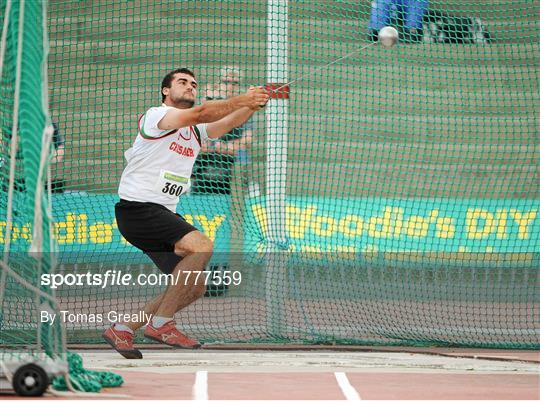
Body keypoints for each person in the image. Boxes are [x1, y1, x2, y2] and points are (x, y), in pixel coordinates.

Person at [103, 68, 269, 359]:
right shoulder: (156, 116)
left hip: (162, 211)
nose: (190, 86)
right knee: (202, 245)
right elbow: (202, 113)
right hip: (138, 208)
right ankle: (162, 323)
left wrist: (250, 106)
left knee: (194, 287)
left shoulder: (194, 130)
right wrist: (242, 97)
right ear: (166, 90)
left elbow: (223, 125)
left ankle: (125, 328)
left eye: (194, 83)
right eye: (183, 82)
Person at [191, 66, 253, 195]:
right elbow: (194, 135)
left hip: (232, 164)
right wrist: (202, 146)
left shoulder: (244, 108)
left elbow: (247, 140)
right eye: (226, 82)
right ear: (219, 83)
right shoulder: (208, 103)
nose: (230, 86)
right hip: (205, 164)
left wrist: (229, 146)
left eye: (235, 83)